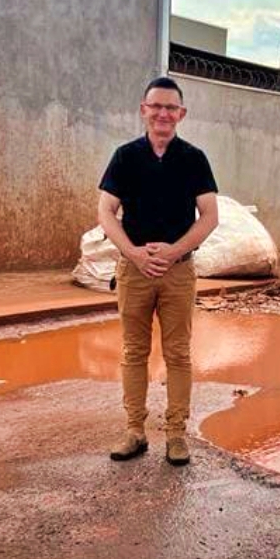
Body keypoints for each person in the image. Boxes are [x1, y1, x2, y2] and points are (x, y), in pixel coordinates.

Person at [97, 76, 219, 466]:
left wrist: (174, 251)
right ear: (143, 110)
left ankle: (176, 434)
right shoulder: (125, 157)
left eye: (171, 107)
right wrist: (133, 253)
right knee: (134, 352)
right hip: (134, 272)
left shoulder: (194, 159)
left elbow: (210, 217)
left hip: (178, 272)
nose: (163, 113)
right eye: (156, 106)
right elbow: (105, 211)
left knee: (178, 353)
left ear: (181, 114)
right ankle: (134, 430)